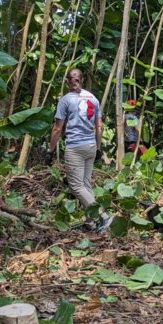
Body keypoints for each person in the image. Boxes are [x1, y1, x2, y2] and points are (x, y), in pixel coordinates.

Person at [47, 69, 112, 232]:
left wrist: (50, 150)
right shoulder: (93, 98)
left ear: (67, 80)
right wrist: (98, 148)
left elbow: (57, 129)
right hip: (90, 146)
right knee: (85, 185)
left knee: (76, 186)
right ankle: (90, 222)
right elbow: (99, 126)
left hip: (75, 147)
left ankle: (104, 216)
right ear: (81, 79)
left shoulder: (65, 100)